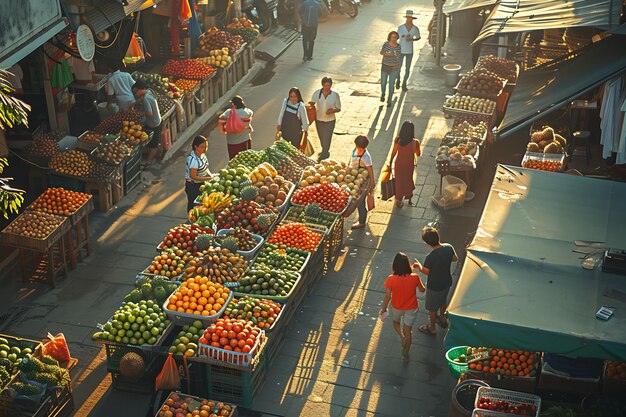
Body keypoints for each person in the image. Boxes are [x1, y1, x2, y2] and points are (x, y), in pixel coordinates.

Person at [380, 252, 426, 362]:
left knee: (396, 322)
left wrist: (384, 308)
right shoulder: (415, 277)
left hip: (397, 307)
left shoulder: (391, 279)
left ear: (394, 265)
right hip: (411, 308)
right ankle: (406, 356)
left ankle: (401, 336)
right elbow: (422, 290)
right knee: (408, 331)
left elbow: (387, 296)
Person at [413, 226, 458, 336]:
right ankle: (442, 317)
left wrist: (419, 266)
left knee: (432, 308)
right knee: (443, 300)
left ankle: (432, 328)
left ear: (428, 243)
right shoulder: (448, 247)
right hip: (447, 281)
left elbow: (426, 271)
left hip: (434, 286)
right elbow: (455, 258)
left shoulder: (430, 257)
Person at [389, 121, 420, 207]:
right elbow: (418, 154)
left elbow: (393, 152)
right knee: (408, 179)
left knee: (399, 181)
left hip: (399, 164)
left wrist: (390, 162)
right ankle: (408, 196)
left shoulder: (398, 140)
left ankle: (398, 200)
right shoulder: (415, 142)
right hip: (409, 165)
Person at [310, 77, 341, 161]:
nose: (327, 88)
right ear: (322, 85)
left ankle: (324, 153)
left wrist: (332, 110)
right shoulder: (317, 93)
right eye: (326, 85)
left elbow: (338, 108)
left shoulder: (335, 95)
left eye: (329, 85)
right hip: (319, 119)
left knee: (327, 136)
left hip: (330, 120)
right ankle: (325, 150)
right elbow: (312, 103)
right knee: (321, 136)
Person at [132, 80, 162, 165]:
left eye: (136, 91)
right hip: (157, 119)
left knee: (153, 145)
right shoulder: (149, 92)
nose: (136, 94)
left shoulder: (146, 99)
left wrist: (139, 112)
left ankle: (148, 161)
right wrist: (136, 102)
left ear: (141, 89)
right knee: (153, 140)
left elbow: (149, 113)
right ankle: (157, 149)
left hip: (153, 123)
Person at [350, 135, 375, 229]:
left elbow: (370, 171)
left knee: (361, 202)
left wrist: (372, 184)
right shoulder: (355, 150)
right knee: (358, 201)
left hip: (363, 181)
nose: (357, 149)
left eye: (359, 148)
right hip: (355, 176)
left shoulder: (366, 157)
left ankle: (362, 222)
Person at [185, 136, 214, 213]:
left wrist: (210, 175)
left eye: (205, 147)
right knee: (193, 205)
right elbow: (193, 176)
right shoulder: (193, 160)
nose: (204, 149)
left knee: (201, 205)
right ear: (195, 146)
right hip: (193, 186)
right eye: (201, 147)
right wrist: (207, 179)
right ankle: (190, 221)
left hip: (201, 184)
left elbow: (205, 167)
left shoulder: (202, 155)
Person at [397, 10, 421, 91]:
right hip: (400, 50)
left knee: (407, 69)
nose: (409, 20)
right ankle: (398, 79)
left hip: (409, 51)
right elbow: (397, 37)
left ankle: (404, 83)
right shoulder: (401, 28)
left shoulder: (415, 28)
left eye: (410, 18)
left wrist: (412, 39)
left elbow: (418, 37)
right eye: (408, 18)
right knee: (398, 68)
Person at [380, 31, 401, 106]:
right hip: (385, 66)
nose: (394, 39)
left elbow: (398, 57)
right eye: (392, 37)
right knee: (383, 83)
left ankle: (389, 100)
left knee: (391, 85)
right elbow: (381, 52)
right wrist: (387, 54)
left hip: (393, 67)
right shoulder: (386, 44)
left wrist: (397, 65)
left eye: (395, 37)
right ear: (390, 37)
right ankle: (383, 94)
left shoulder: (398, 46)